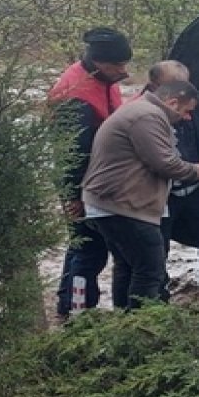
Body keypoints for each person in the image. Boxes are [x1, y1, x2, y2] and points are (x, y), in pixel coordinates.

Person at [80, 80, 199, 310]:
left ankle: (124, 326)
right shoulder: (148, 116)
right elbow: (164, 163)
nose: (188, 118)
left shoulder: (140, 109)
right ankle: (140, 329)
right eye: (187, 111)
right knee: (151, 270)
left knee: (128, 266)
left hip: (106, 204)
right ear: (173, 102)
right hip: (123, 207)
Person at [47, 27, 132, 320]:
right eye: (118, 66)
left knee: (80, 245)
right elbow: (71, 155)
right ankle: (78, 312)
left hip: (92, 181)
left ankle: (66, 302)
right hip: (81, 184)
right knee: (90, 250)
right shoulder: (77, 97)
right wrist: (75, 196)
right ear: (99, 62)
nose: (124, 72)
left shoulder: (101, 78)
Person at [144, 60, 199, 288]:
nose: (182, 93)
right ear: (155, 85)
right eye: (174, 86)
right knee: (156, 245)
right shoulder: (143, 110)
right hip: (163, 190)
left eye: (185, 85)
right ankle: (156, 296)